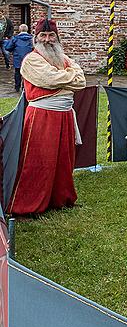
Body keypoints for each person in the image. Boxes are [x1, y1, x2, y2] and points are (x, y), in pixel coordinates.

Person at [7, 19, 85, 216]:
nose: (48, 39)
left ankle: (61, 198)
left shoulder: (64, 58)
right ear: (36, 37)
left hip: (65, 114)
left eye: (52, 36)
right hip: (42, 116)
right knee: (39, 160)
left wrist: (63, 77)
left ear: (57, 38)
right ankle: (29, 204)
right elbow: (49, 80)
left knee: (63, 160)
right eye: (43, 35)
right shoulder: (31, 60)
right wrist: (68, 76)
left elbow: (81, 81)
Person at [3, 24, 33, 93]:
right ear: (27, 30)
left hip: (18, 59)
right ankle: (25, 87)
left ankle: (17, 87)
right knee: (27, 74)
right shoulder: (31, 39)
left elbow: (8, 48)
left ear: (19, 30)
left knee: (17, 73)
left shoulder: (15, 38)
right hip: (28, 59)